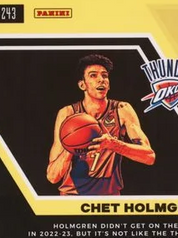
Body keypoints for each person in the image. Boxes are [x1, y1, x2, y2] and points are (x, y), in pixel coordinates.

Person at [47, 54, 155, 195]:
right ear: (82, 85)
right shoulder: (67, 113)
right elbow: (52, 176)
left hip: (108, 198)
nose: (101, 79)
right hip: (72, 196)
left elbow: (149, 157)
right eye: (93, 75)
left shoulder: (122, 109)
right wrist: (71, 146)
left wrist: (113, 144)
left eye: (105, 76)